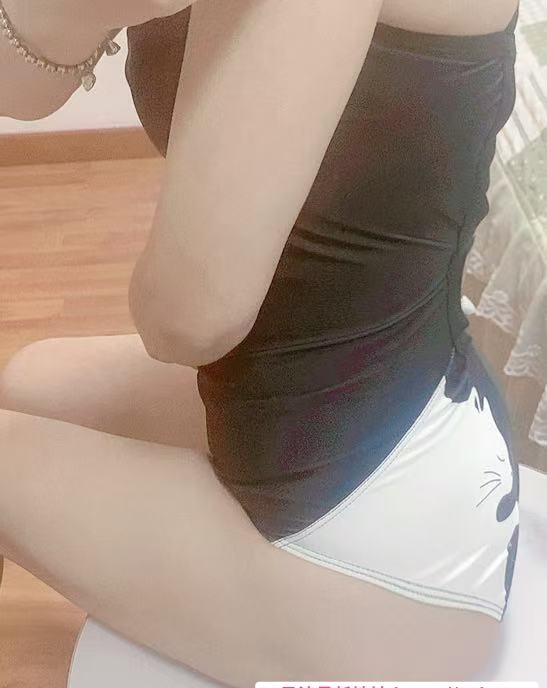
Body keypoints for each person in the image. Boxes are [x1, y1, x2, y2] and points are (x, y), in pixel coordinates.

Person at [0, 0, 520, 684]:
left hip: (381, 533)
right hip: (369, 400)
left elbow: (186, 319)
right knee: (29, 379)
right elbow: (21, 87)